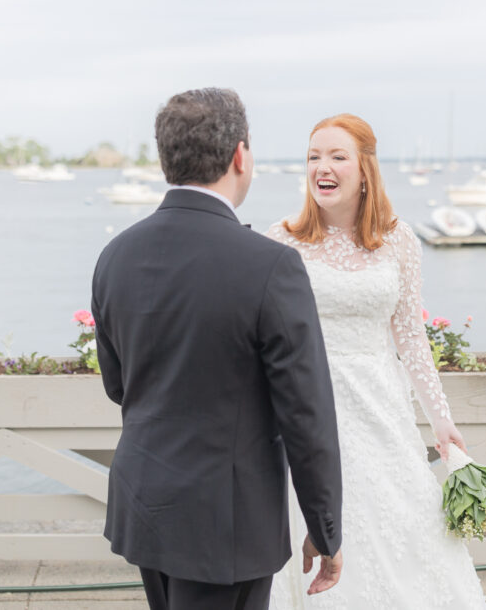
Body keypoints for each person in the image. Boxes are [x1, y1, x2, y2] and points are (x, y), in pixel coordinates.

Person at [91, 88, 344, 610]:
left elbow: (119, 386)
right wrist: (325, 527)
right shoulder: (270, 266)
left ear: (166, 159)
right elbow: (306, 414)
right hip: (226, 521)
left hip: (144, 507)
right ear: (239, 156)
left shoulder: (115, 256)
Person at [267, 114, 486, 609]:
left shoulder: (398, 239)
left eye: (337, 156)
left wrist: (441, 419)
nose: (322, 167)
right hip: (308, 404)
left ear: (365, 168)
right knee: (316, 522)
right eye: (313, 156)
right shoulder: (281, 239)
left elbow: (410, 337)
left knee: (401, 522)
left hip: (380, 406)